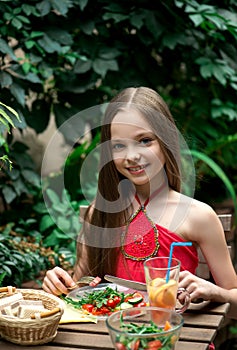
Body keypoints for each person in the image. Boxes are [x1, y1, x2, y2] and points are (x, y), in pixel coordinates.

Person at [42, 87, 237, 317]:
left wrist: (216, 292)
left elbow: (233, 302)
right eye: (119, 146)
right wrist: (59, 285)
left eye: (145, 141)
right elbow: (80, 290)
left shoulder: (198, 216)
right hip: (114, 338)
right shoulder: (101, 213)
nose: (132, 156)